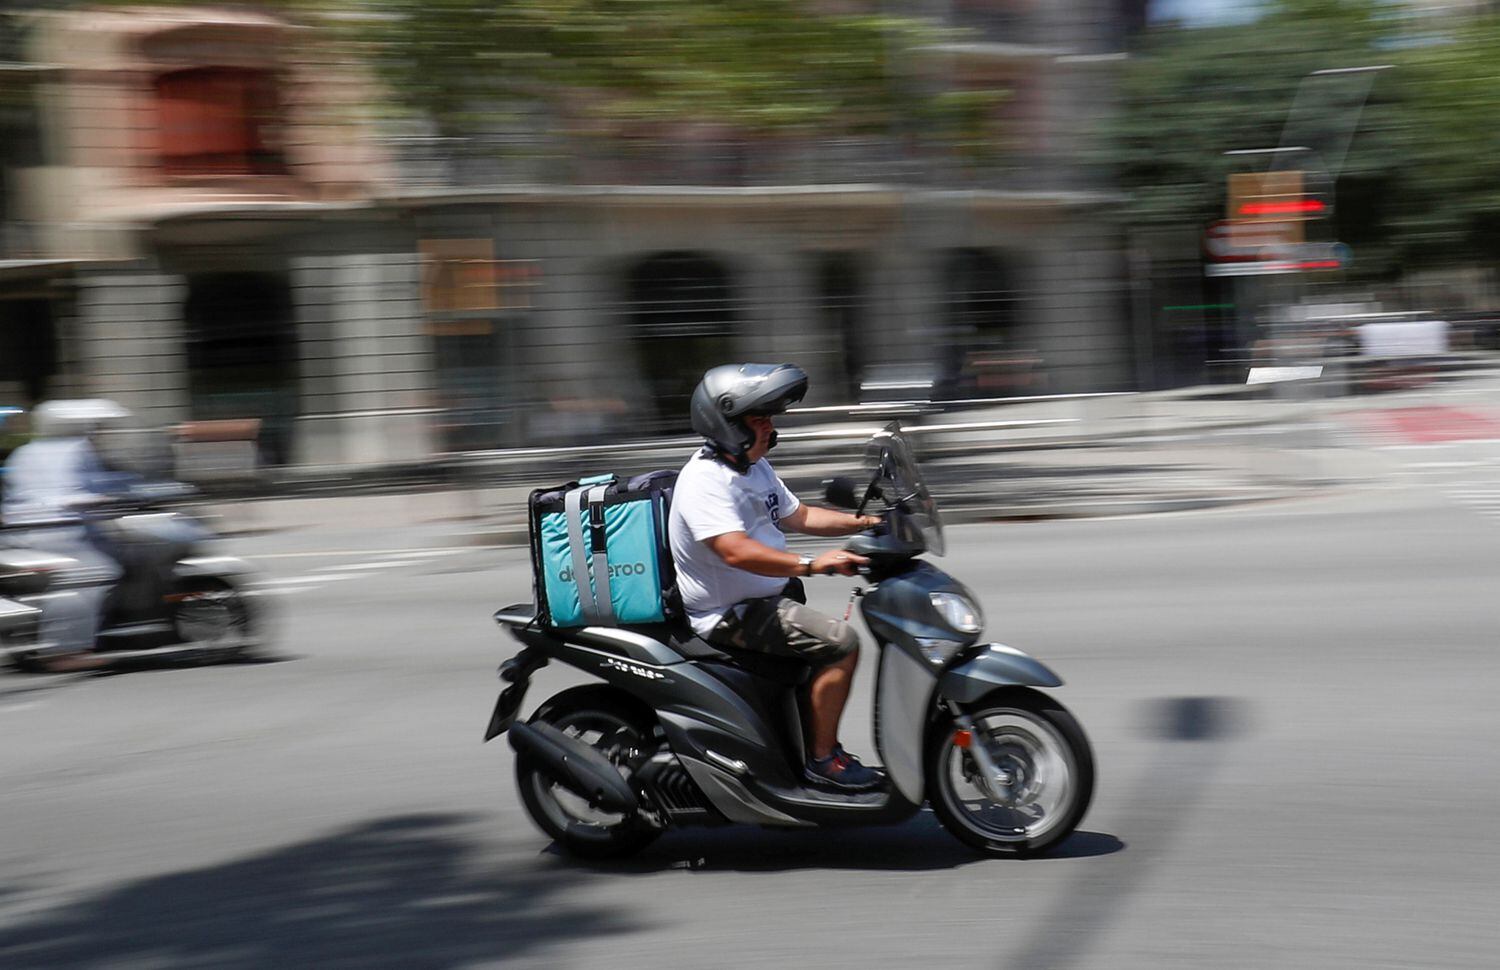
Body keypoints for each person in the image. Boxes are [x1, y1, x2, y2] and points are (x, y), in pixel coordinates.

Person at [668, 363, 884, 792]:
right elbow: (735, 550)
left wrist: (866, 522)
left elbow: (799, 515)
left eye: (769, 418)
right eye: (759, 419)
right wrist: (810, 564)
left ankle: (799, 747)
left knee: (820, 643)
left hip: (765, 600)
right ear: (726, 423)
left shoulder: (752, 467)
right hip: (730, 614)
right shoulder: (705, 480)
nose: (769, 428)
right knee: (841, 643)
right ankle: (823, 760)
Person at [1, 400, 134, 670]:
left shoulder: (26, 451)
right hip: (59, 533)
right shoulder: (76, 450)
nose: (100, 432)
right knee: (98, 572)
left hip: (22, 533)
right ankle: (65, 650)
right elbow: (81, 489)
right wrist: (107, 499)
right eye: (97, 427)